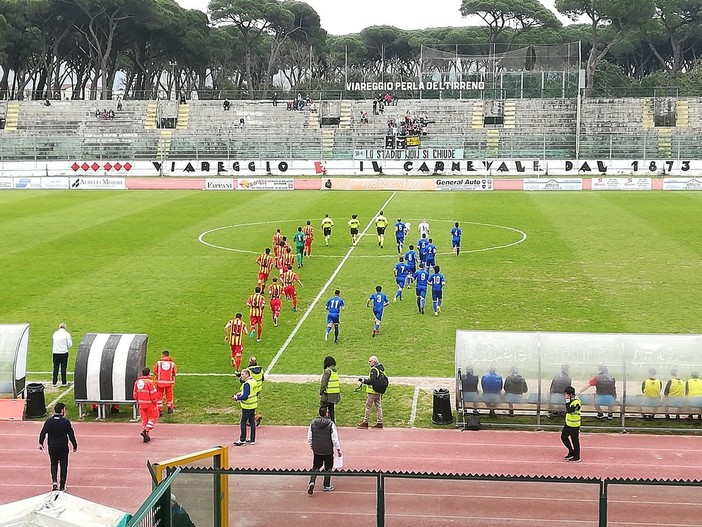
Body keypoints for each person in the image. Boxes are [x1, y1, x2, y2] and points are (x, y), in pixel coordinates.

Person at [38, 402, 77, 491]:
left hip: (52, 446)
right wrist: (74, 445)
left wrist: (40, 443)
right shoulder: (65, 422)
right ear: (62, 410)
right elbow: (71, 434)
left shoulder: (49, 421)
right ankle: (62, 484)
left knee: (53, 463)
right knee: (64, 465)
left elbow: (43, 433)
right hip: (63, 446)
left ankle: (54, 481)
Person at [307, 405, 342, 495]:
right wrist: (338, 449)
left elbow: (309, 437)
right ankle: (326, 485)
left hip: (317, 449)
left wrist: (312, 446)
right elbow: (334, 438)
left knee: (315, 466)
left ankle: (312, 481)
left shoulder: (313, 423)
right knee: (328, 467)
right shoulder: (331, 424)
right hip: (328, 450)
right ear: (326, 413)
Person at [357, 355, 385, 429]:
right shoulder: (380, 369)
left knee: (368, 407)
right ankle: (380, 422)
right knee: (378, 407)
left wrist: (364, 381)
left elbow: (372, 381)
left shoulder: (373, 370)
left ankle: (365, 422)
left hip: (372, 391)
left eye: (370, 361)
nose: (368, 363)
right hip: (378, 391)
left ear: (374, 362)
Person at [133, 367, 159, 443]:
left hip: (141, 403)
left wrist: (138, 400)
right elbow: (153, 393)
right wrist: (155, 401)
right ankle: (146, 430)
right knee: (153, 417)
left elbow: (135, 393)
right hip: (150, 403)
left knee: (144, 419)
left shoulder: (137, 382)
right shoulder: (150, 382)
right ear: (149, 373)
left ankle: (146, 434)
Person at [232, 369, 257, 445]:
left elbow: (245, 396)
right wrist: (241, 393)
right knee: (252, 422)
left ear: (247, 375)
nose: (241, 376)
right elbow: (250, 392)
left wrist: (237, 398)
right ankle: (252, 439)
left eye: (242, 374)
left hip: (247, 405)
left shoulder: (246, 384)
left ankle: (242, 439)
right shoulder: (253, 381)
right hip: (253, 404)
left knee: (243, 422)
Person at [561, 386, 582, 462]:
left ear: (570, 394)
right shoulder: (571, 400)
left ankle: (577, 456)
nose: (565, 396)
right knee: (564, 437)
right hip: (568, 423)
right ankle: (571, 451)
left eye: (566, 394)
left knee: (575, 440)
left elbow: (569, 410)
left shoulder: (576, 402)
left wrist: (567, 400)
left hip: (574, 425)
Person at [153, 350, 177, 415]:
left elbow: (154, 371)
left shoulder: (158, 363)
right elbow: (174, 373)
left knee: (159, 396)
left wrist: (159, 376)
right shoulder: (172, 364)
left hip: (159, 383)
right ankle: (169, 408)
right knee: (169, 395)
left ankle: (159, 410)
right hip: (169, 383)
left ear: (163, 355)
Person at [320, 356, 341, 422]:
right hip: (335, 394)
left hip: (327, 394)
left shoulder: (327, 371)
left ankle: (322, 423)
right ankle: (332, 423)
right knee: (331, 409)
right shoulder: (335, 371)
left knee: (323, 409)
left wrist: (321, 391)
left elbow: (324, 382)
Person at [52, 322, 73, 387]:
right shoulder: (67, 334)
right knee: (63, 367)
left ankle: (54, 382)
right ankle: (64, 382)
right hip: (63, 353)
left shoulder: (55, 334)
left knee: (55, 367)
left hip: (55, 352)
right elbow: (70, 344)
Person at [247, 356, 264, 426]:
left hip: (251, 389)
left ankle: (254, 417)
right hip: (258, 389)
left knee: (249, 404)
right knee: (252, 402)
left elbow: (244, 379)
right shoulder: (261, 369)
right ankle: (253, 416)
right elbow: (262, 378)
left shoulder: (249, 370)